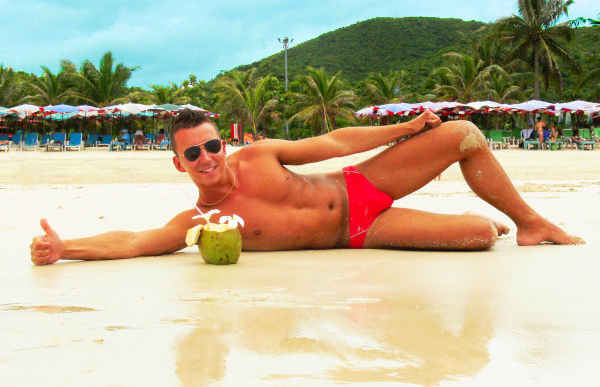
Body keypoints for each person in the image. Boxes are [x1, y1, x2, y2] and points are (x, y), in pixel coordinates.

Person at [30, 109, 584, 266]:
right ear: (179, 164)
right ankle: (496, 223)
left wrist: (406, 129)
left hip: (361, 183)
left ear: (223, 142)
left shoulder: (258, 155)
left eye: (211, 145)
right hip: (360, 232)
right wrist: (64, 248)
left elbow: (336, 142)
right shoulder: (202, 224)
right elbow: (134, 241)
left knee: (464, 134)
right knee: (479, 235)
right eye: (192, 153)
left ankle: (532, 223)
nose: (206, 158)